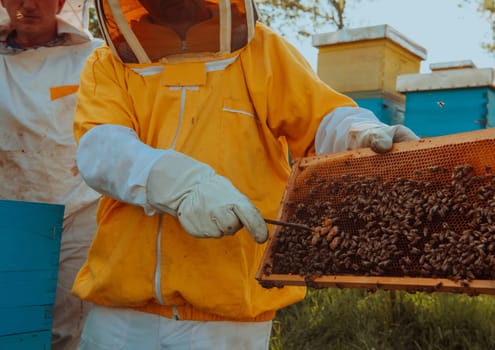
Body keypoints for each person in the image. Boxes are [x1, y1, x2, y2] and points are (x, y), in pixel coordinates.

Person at [72, 0, 419, 349]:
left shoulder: (262, 52)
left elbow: (322, 119)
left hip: (229, 320)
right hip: (121, 314)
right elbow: (101, 148)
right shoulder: (108, 63)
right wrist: (183, 185)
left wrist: (359, 133)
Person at [0, 0, 103, 349]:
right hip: (12, 210)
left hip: (79, 208)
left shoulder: (95, 56)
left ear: (60, 2)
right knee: (13, 324)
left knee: (67, 327)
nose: (28, 5)